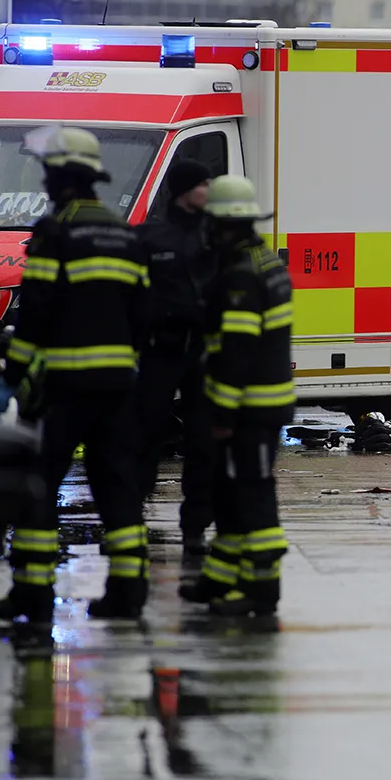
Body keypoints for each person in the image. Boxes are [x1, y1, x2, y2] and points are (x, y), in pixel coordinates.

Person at [0, 126, 150, 629]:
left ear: (60, 177)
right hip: (118, 388)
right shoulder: (123, 233)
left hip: (65, 388)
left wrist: (12, 374)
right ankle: (128, 594)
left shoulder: (54, 232)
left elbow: (35, 313)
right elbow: (143, 316)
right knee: (118, 489)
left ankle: (33, 597)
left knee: (39, 486)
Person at [179, 175, 293, 616]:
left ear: (223, 224)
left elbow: (237, 352)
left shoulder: (242, 275)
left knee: (251, 493)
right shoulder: (266, 263)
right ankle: (220, 579)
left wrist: (222, 410)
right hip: (259, 405)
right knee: (229, 493)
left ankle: (262, 589)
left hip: (249, 409)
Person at [135, 159, 218, 556]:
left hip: (201, 355)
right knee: (147, 434)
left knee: (202, 443)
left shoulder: (214, 235)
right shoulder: (151, 237)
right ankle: (132, 517)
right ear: (186, 189)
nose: (209, 189)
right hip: (159, 351)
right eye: (204, 183)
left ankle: (195, 528)